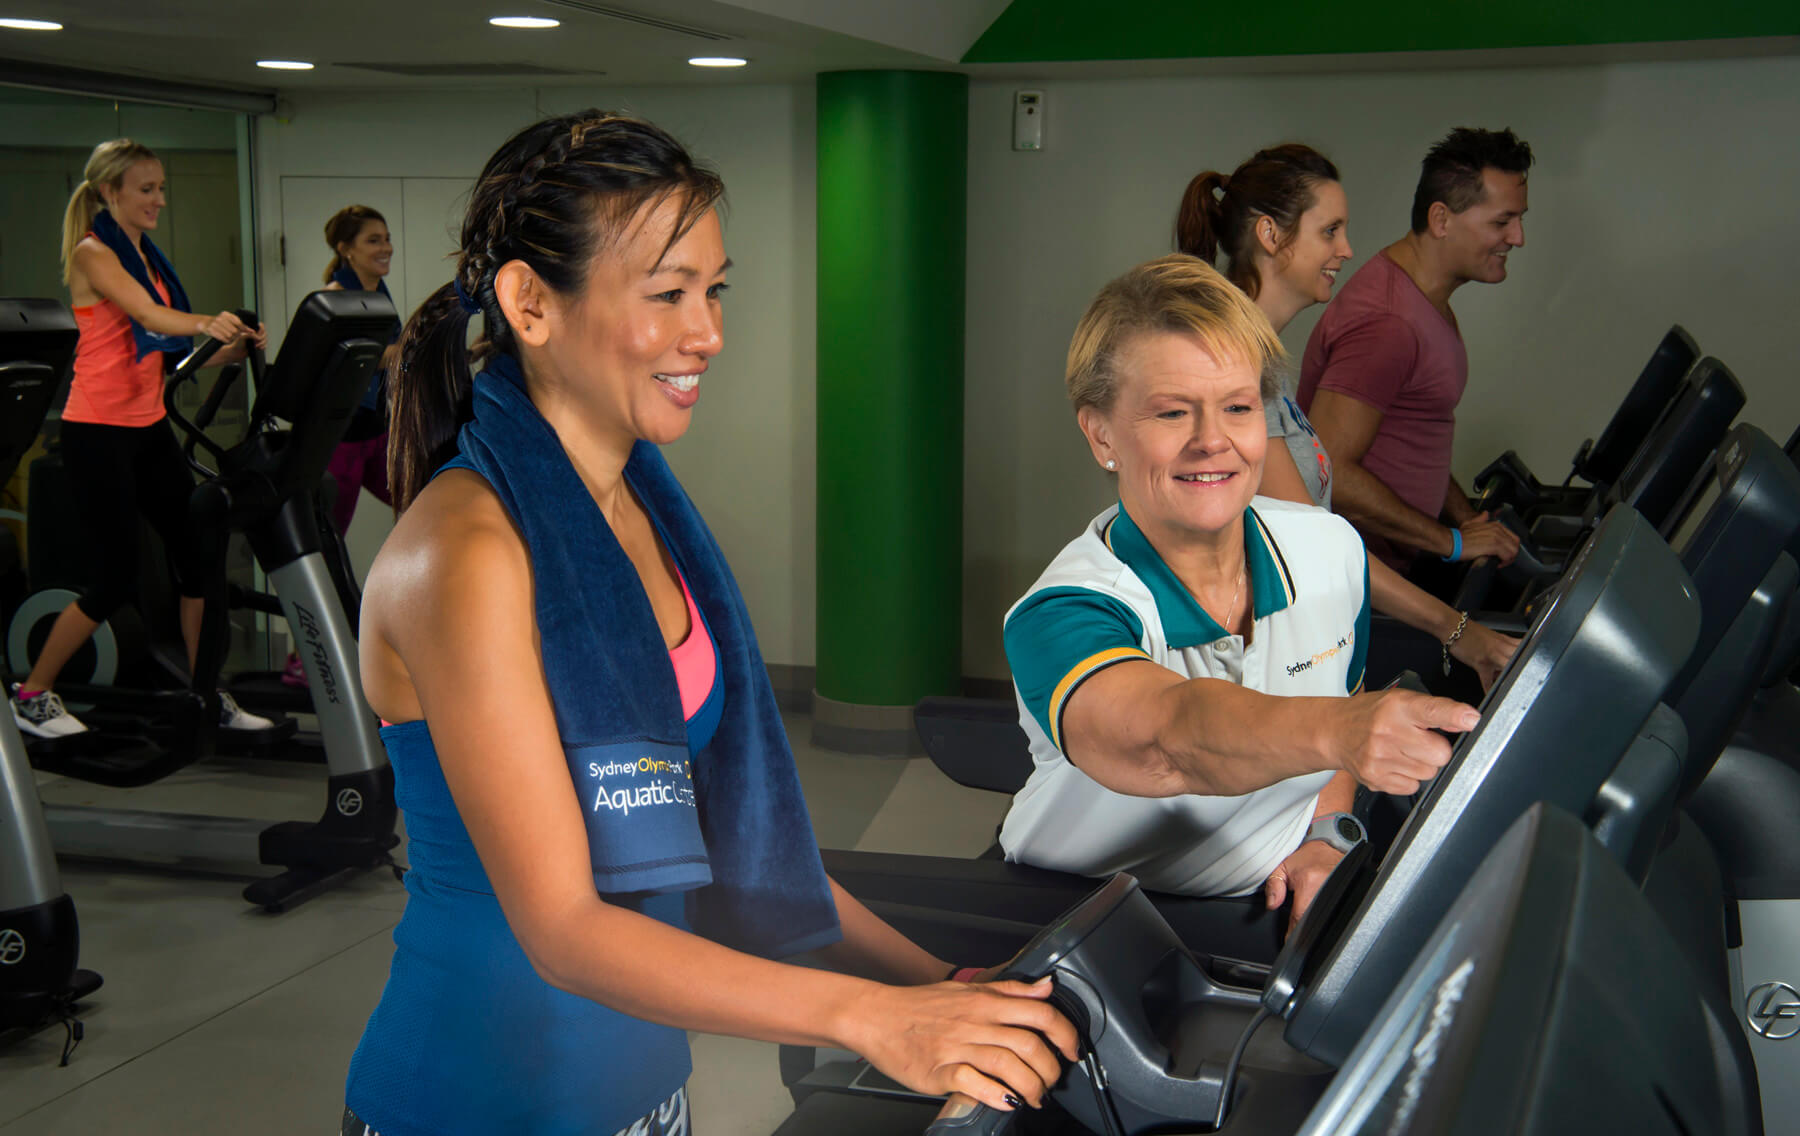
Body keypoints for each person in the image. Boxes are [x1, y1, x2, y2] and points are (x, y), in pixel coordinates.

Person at [342, 111, 1075, 1136]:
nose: (709, 333)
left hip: (645, 1091)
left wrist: (948, 981)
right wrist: (876, 1017)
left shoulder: (641, 514)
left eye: (715, 290)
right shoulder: (463, 552)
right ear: (529, 303)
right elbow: (564, 927)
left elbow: (745, 840)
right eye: (669, 293)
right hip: (476, 1099)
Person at [999, 254, 1481, 935]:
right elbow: (1169, 740)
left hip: (1272, 900)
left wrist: (1328, 834)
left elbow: (1339, 705)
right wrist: (1342, 731)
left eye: (1237, 406)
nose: (1213, 442)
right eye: (1172, 412)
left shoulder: (1328, 550)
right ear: (1101, 433)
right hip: (1100, 921)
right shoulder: (1066, 611)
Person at [1177, 144, 1516, 689]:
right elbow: (1316, 546)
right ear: (1271, 236)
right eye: (1329, 231)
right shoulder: (1233, 368)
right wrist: (1456, 630)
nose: (1347, 249)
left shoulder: (1263, 364)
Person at [8, 138, 273, 738]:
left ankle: (207, 690)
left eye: (160, 189)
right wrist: (206, 322)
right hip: (96, 433)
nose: (158, 200)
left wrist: (228, 348)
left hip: (146, 427)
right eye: (146, 189)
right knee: (114, 580)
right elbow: (152, 320)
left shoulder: (146, 258)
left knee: (196, 560)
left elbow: (158, 355)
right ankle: (33, 693)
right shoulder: (93, 254)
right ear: (110, 192)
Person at [1296, 127, 1532, 578]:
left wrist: (1466, 518)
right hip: (1360, 587)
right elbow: (1329, 472)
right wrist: (1453, 541)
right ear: (1441, 220)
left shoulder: (1420, 301)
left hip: (1404, 561)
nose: (1517, 238)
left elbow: (1410, 443)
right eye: (1502, 222)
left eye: (1519, 220)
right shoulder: (1389, 322)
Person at [320, 204, 398, 535]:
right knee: (330, 535)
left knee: (419, 499)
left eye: (387, 239)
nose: (386, 248)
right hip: (341, 436)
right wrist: (419, 346)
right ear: (346, 249)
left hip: (377, 428)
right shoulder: (333, 299)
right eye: (374, 240)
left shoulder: (379, 294)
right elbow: (362, 357)